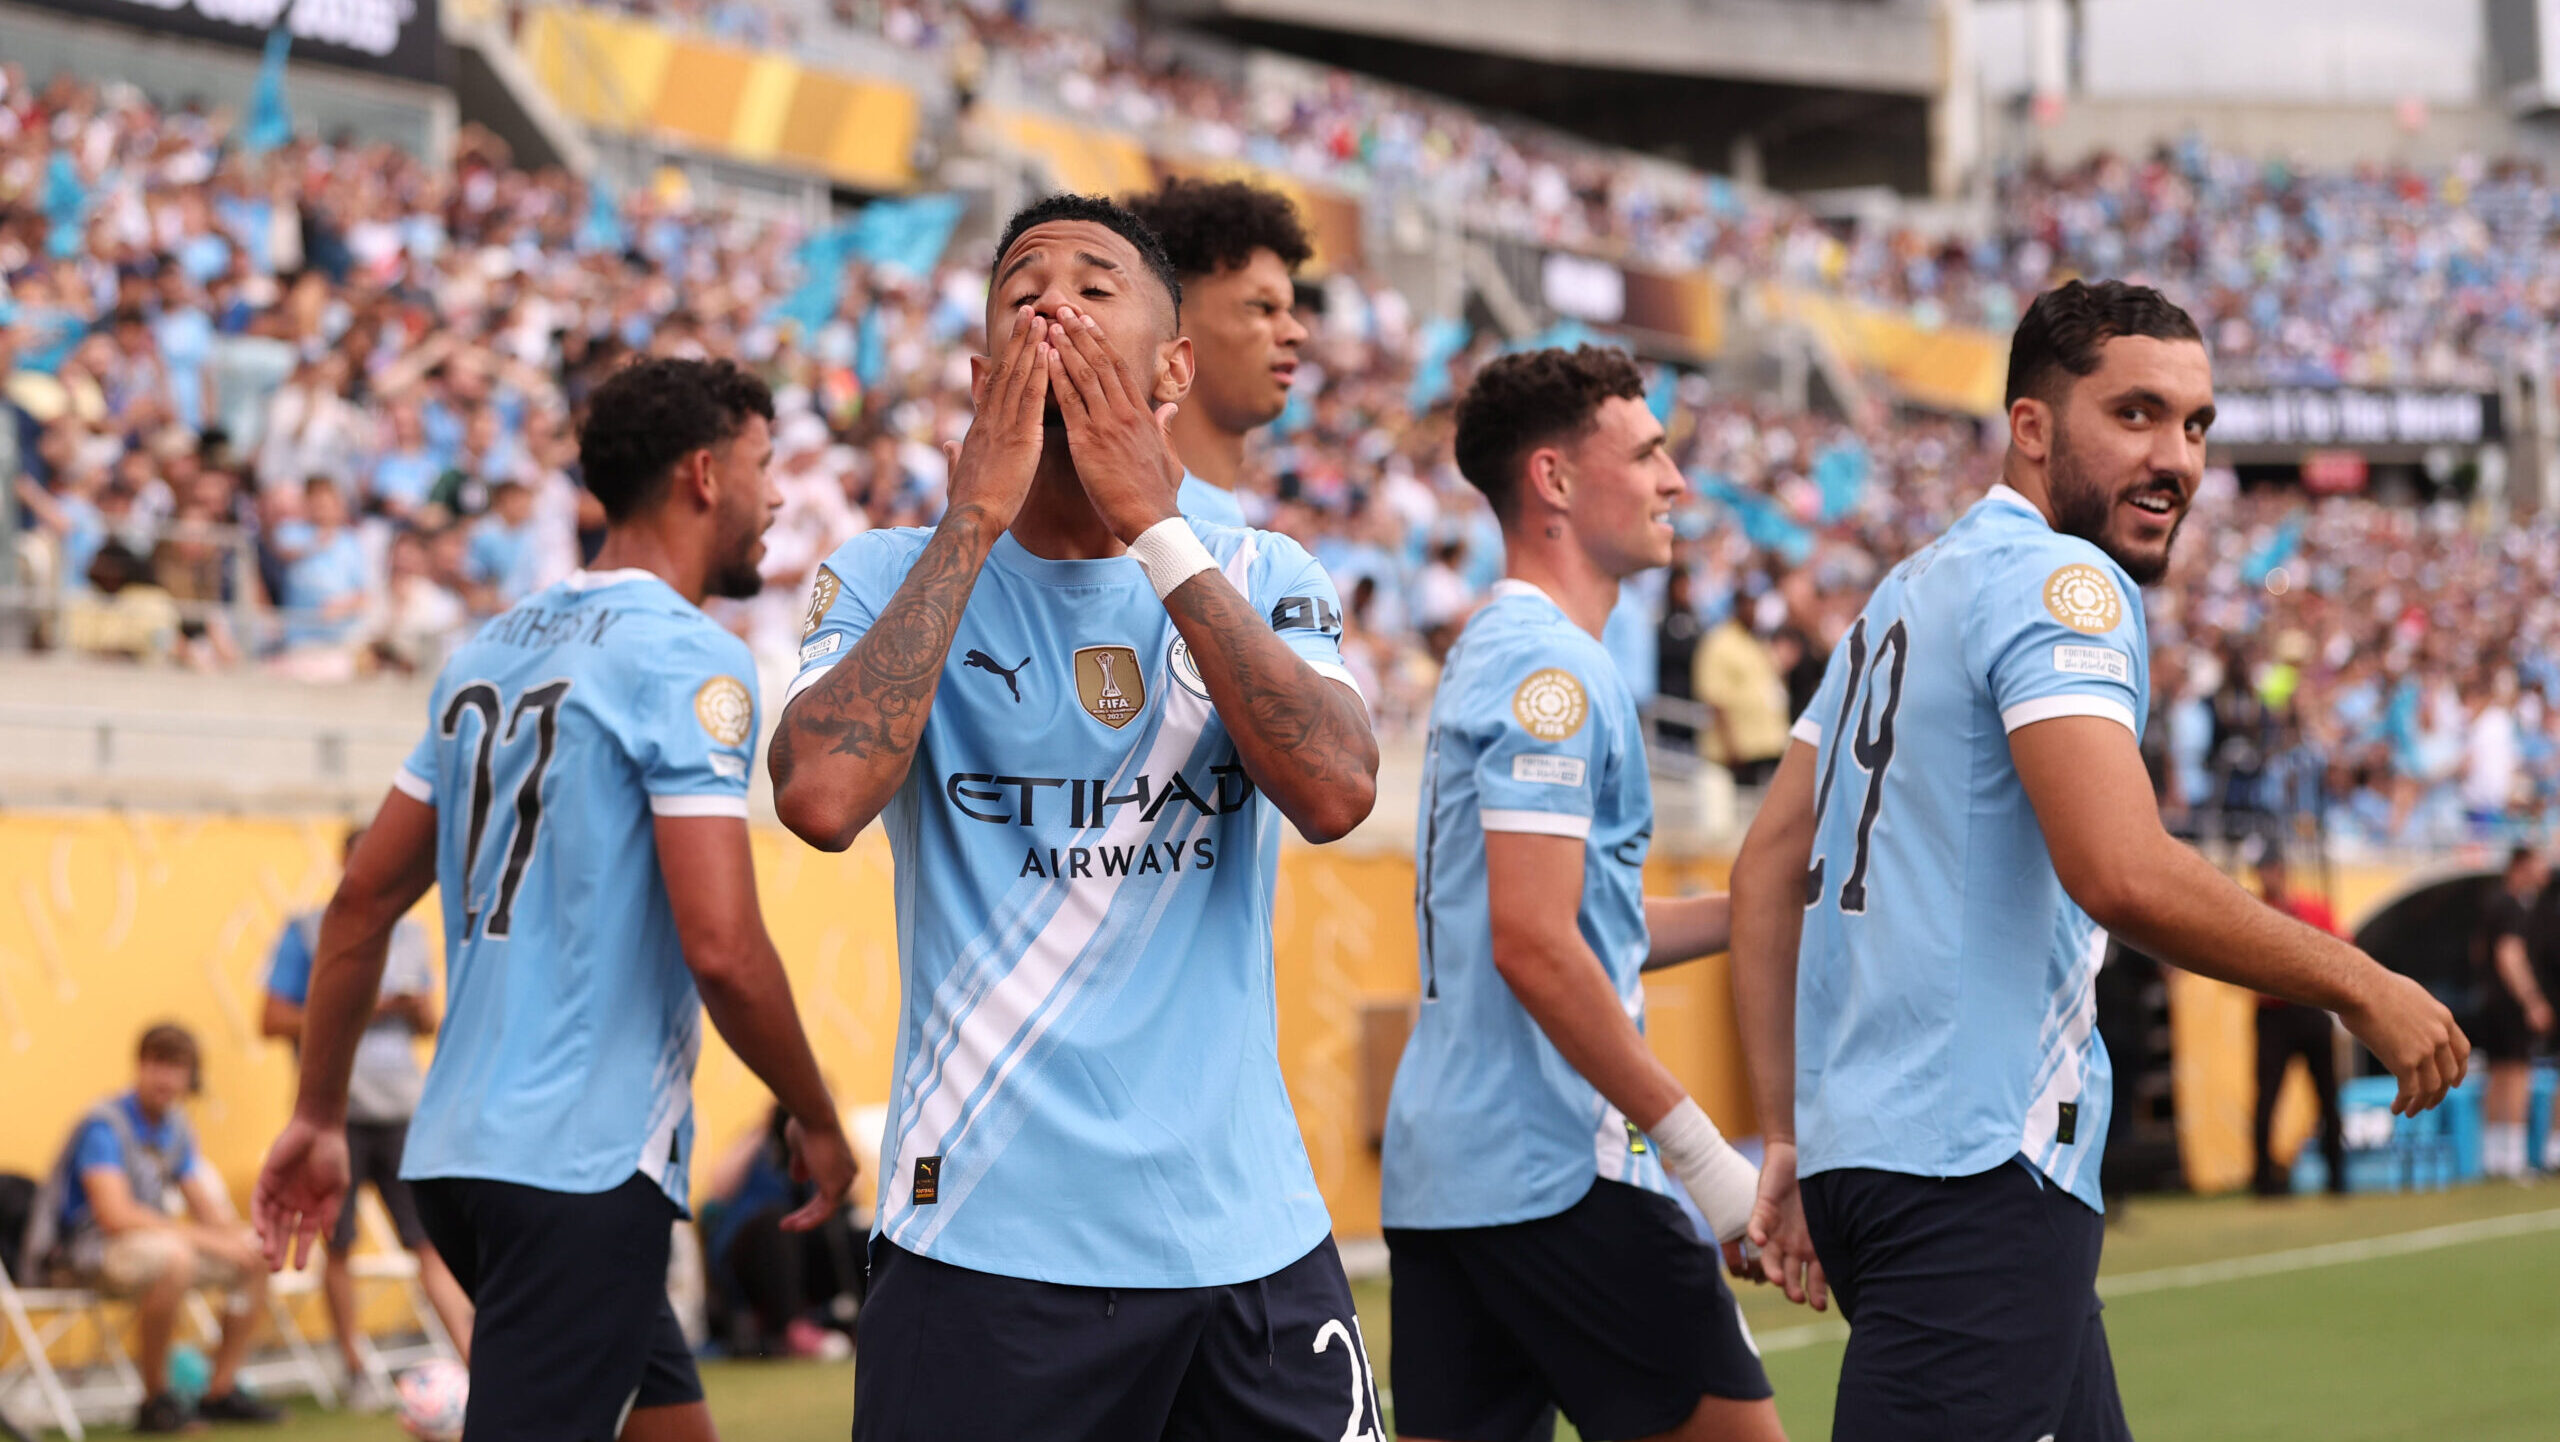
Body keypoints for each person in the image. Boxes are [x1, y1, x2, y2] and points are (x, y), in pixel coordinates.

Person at [1727, 280, 2468, 1441]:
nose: (2174, 455)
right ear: (2030, 427)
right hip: (1974, 1170)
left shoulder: (1901, 592)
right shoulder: (2060, 581)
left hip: (1878, 1163)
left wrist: (1784, 1133)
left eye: (2194, 424)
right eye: (2134, 415)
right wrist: (2358, 980)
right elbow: (2118, 869)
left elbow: (1765, 869)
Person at [769, 194, 1382, 1441]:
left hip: (1244, 1238)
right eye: (1021, 283)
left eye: (1095, 283)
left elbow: (1335, 790)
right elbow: (820, 797)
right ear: (983, 369)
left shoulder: (1263, 570)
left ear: (1171, 367)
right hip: (986, 1240)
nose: (1052, 298)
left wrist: (1157, 527)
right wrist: (972, 520)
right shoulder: (886, 571)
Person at [252, 357, 857, 1442]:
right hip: (578, 1166)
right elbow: (722, 947)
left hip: (461, 1152)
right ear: (705, 475)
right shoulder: (691, 660)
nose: (779, 501)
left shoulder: (487, 648)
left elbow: (356, 903)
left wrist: (316, 1112)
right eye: (767, 469)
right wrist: (813, 1112)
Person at [1379, 347, 1781, 1442]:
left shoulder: (1507, 650)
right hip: (1558, 1168)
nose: (1675, 482)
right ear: (1554, 479)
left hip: (1452, 1177)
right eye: (1648, 452)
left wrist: (1761, 912)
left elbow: (1575, 931)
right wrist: (1709, 1160)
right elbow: (1533, 944)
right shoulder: (1548, 669)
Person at [260, 825, 474, 1403]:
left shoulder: (411, 934)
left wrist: (411, 1010)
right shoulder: (308, 931)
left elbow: (429, 1024)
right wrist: (359, 1007)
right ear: (347, 864)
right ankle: (356, 1369)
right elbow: (271, 1019)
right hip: (338, 1110)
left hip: (404, 1108)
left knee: (430, 1240)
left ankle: (473, 1360)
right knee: (340, 1242)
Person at [23, 1025, 284, 1432]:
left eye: (176, 1068)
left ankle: (220, 1389)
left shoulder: (175, 1127)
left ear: (189, 1078)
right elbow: (115, 1215)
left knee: (255, 1257)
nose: (165, 1078)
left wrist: (241, 1237)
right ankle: (155, 1401)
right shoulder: (104, 1125)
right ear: (140, 1066)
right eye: (157, 1064)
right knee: (174, 1259)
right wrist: (203, 1237)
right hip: (85, 1253)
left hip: (151, 1247)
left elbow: (202, 1205)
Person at [1123, 178, 1313, 527]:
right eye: (1262, 307)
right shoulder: (1118, 527)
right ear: (1169, 328)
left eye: (1290, 310)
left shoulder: (1231, 523)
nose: (1296, 333)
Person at [2248, 848, 2349, 1197]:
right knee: (2267, 1098)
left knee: (2327, 1096)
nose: (2265, 877)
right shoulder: (2252, 911)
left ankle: (2337, 1175)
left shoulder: (2310, 908)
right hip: (2274, 1012)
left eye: (2269, 869)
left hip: (2309, 1009)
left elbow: (2340, 948)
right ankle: (2263, 1178)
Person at [2476, 845, 2550, 1179]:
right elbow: (2510, 956)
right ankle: (2516, 1158)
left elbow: (2478, 952)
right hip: (2508, 1003)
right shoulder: (2512, 905)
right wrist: (2532, 999)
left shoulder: (2492, 902)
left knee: (2499, 1075)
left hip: (2490, 1000)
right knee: (2518, 1073)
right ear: (2521, 865)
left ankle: (2493, 1158)